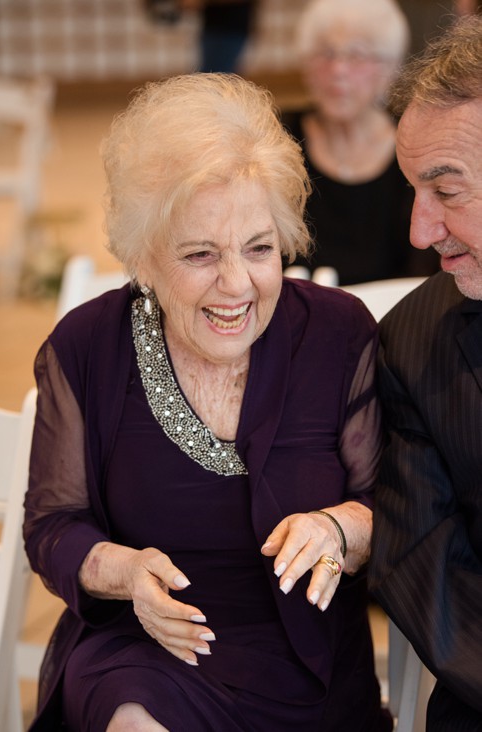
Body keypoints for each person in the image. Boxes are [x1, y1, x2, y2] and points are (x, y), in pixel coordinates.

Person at [24, 74, 389, 731]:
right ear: (144, 259)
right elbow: (52, 524)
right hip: (150, 650)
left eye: (259, 249)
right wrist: (125, 573)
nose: (235, 285)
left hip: (308, 663)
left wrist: (338, 528)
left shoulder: (340, 334)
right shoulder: (87, 347)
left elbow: (392, 505)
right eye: (199, 254)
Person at [368, 18, 482, 730]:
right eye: (413, 190)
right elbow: (422, 563)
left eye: (447, 191)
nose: (419, 229)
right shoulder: (413, 343)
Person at [284, 0, 436, 285]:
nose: (338, 70)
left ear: (389, 68)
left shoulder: (418, 145)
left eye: (357, 56)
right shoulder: (276, 141)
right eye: (326, 54)